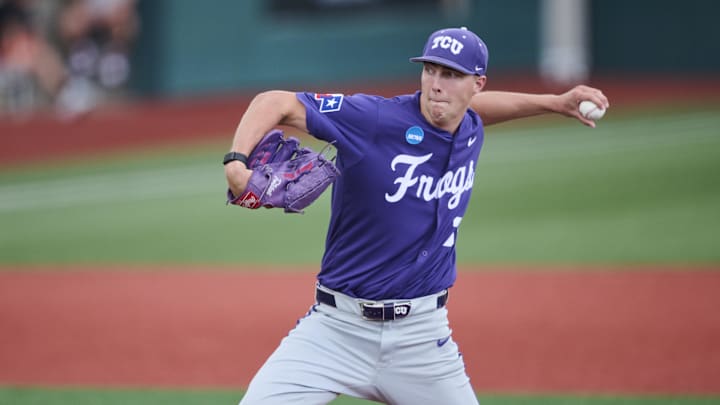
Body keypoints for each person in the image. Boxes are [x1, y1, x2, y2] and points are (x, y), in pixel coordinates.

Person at [224, 27, 609, 404]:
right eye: (431, 70)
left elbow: (478, 110)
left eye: (452, 75)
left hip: (422, 340)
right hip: (335, 330)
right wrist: (237, 163)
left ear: (478, 84)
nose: (436, 84)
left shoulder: (470, 124)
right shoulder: (375, 119)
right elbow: (273, 101)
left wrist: (554, 103)